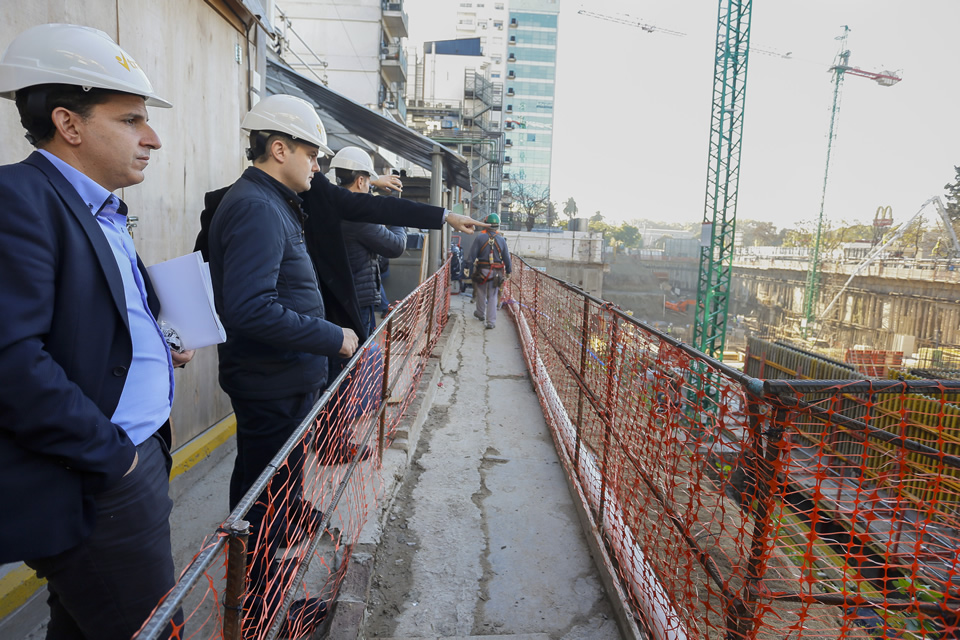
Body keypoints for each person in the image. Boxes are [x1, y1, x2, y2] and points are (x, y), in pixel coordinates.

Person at [0, 23, 194, 640]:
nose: (153, 139)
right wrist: (116, 459)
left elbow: (94, 322)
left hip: (130, 456)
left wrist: (158, 347)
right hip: (94, 475)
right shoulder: (18, 201)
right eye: (132, 120)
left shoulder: (100, 207)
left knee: (82, 626)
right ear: (70, 124)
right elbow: (12, 362)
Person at [328, 146, 406, 335]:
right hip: (358, 302)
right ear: (361, 180)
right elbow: (396, 246)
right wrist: (397, 216)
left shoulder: (328, 204)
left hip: (334, 295)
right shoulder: (358, 218)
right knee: (358, 358)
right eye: (368, 180)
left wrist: (374, 181)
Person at [466, 213, 513, 329]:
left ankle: (480, 313)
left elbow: (472, 254)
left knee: (481, 292)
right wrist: (508, 271)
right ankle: (491, 322)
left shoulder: (480, 237)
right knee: (493, 295)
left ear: (486, 224)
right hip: (497, 272)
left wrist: (467, 267)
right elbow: (506, 257)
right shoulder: (501, 239)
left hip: (482, 270)